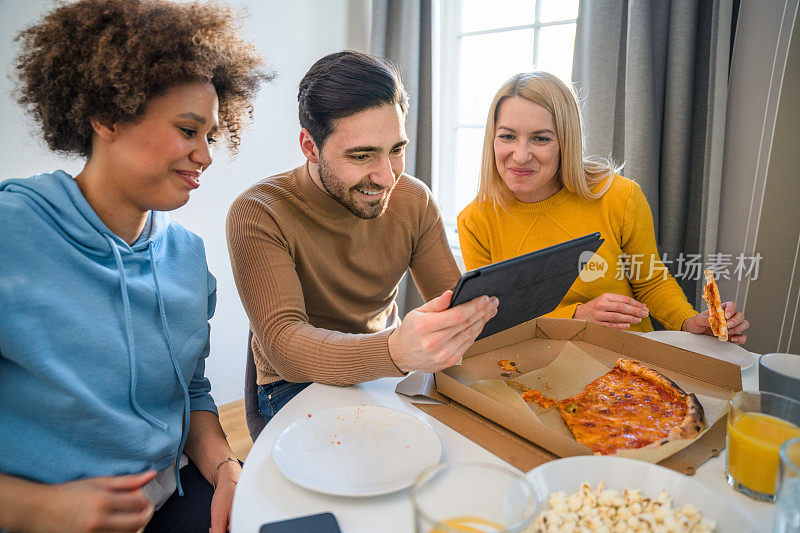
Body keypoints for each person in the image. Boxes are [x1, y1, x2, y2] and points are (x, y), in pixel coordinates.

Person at [0, 1, 269, 531]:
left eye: (210, 136)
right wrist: (43, 509)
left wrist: (225, 467)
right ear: (107, 116)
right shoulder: (12, 234)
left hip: (170, 499)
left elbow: (190, 394)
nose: (206, 156)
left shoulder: (188, 258)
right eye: (188, 130)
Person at [227, 51, 498, 425]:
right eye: (362, 156)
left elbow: (455, 302)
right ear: (309, 147)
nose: (387, 177)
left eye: (396, 150)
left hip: (388, 367)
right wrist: (396, 350)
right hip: (295, 382)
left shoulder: (414, 200)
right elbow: (285, 346)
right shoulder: (260, 211)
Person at [457, 72, 749, 342]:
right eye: (507, 136)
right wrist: (578, 316)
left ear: (566, 142)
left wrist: (688, 323)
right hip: (534, 366)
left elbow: (651, 282)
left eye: (541, 138)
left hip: (628, 360)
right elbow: (496, 317)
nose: (520, 156)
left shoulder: (619, 197)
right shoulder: (475, 221)